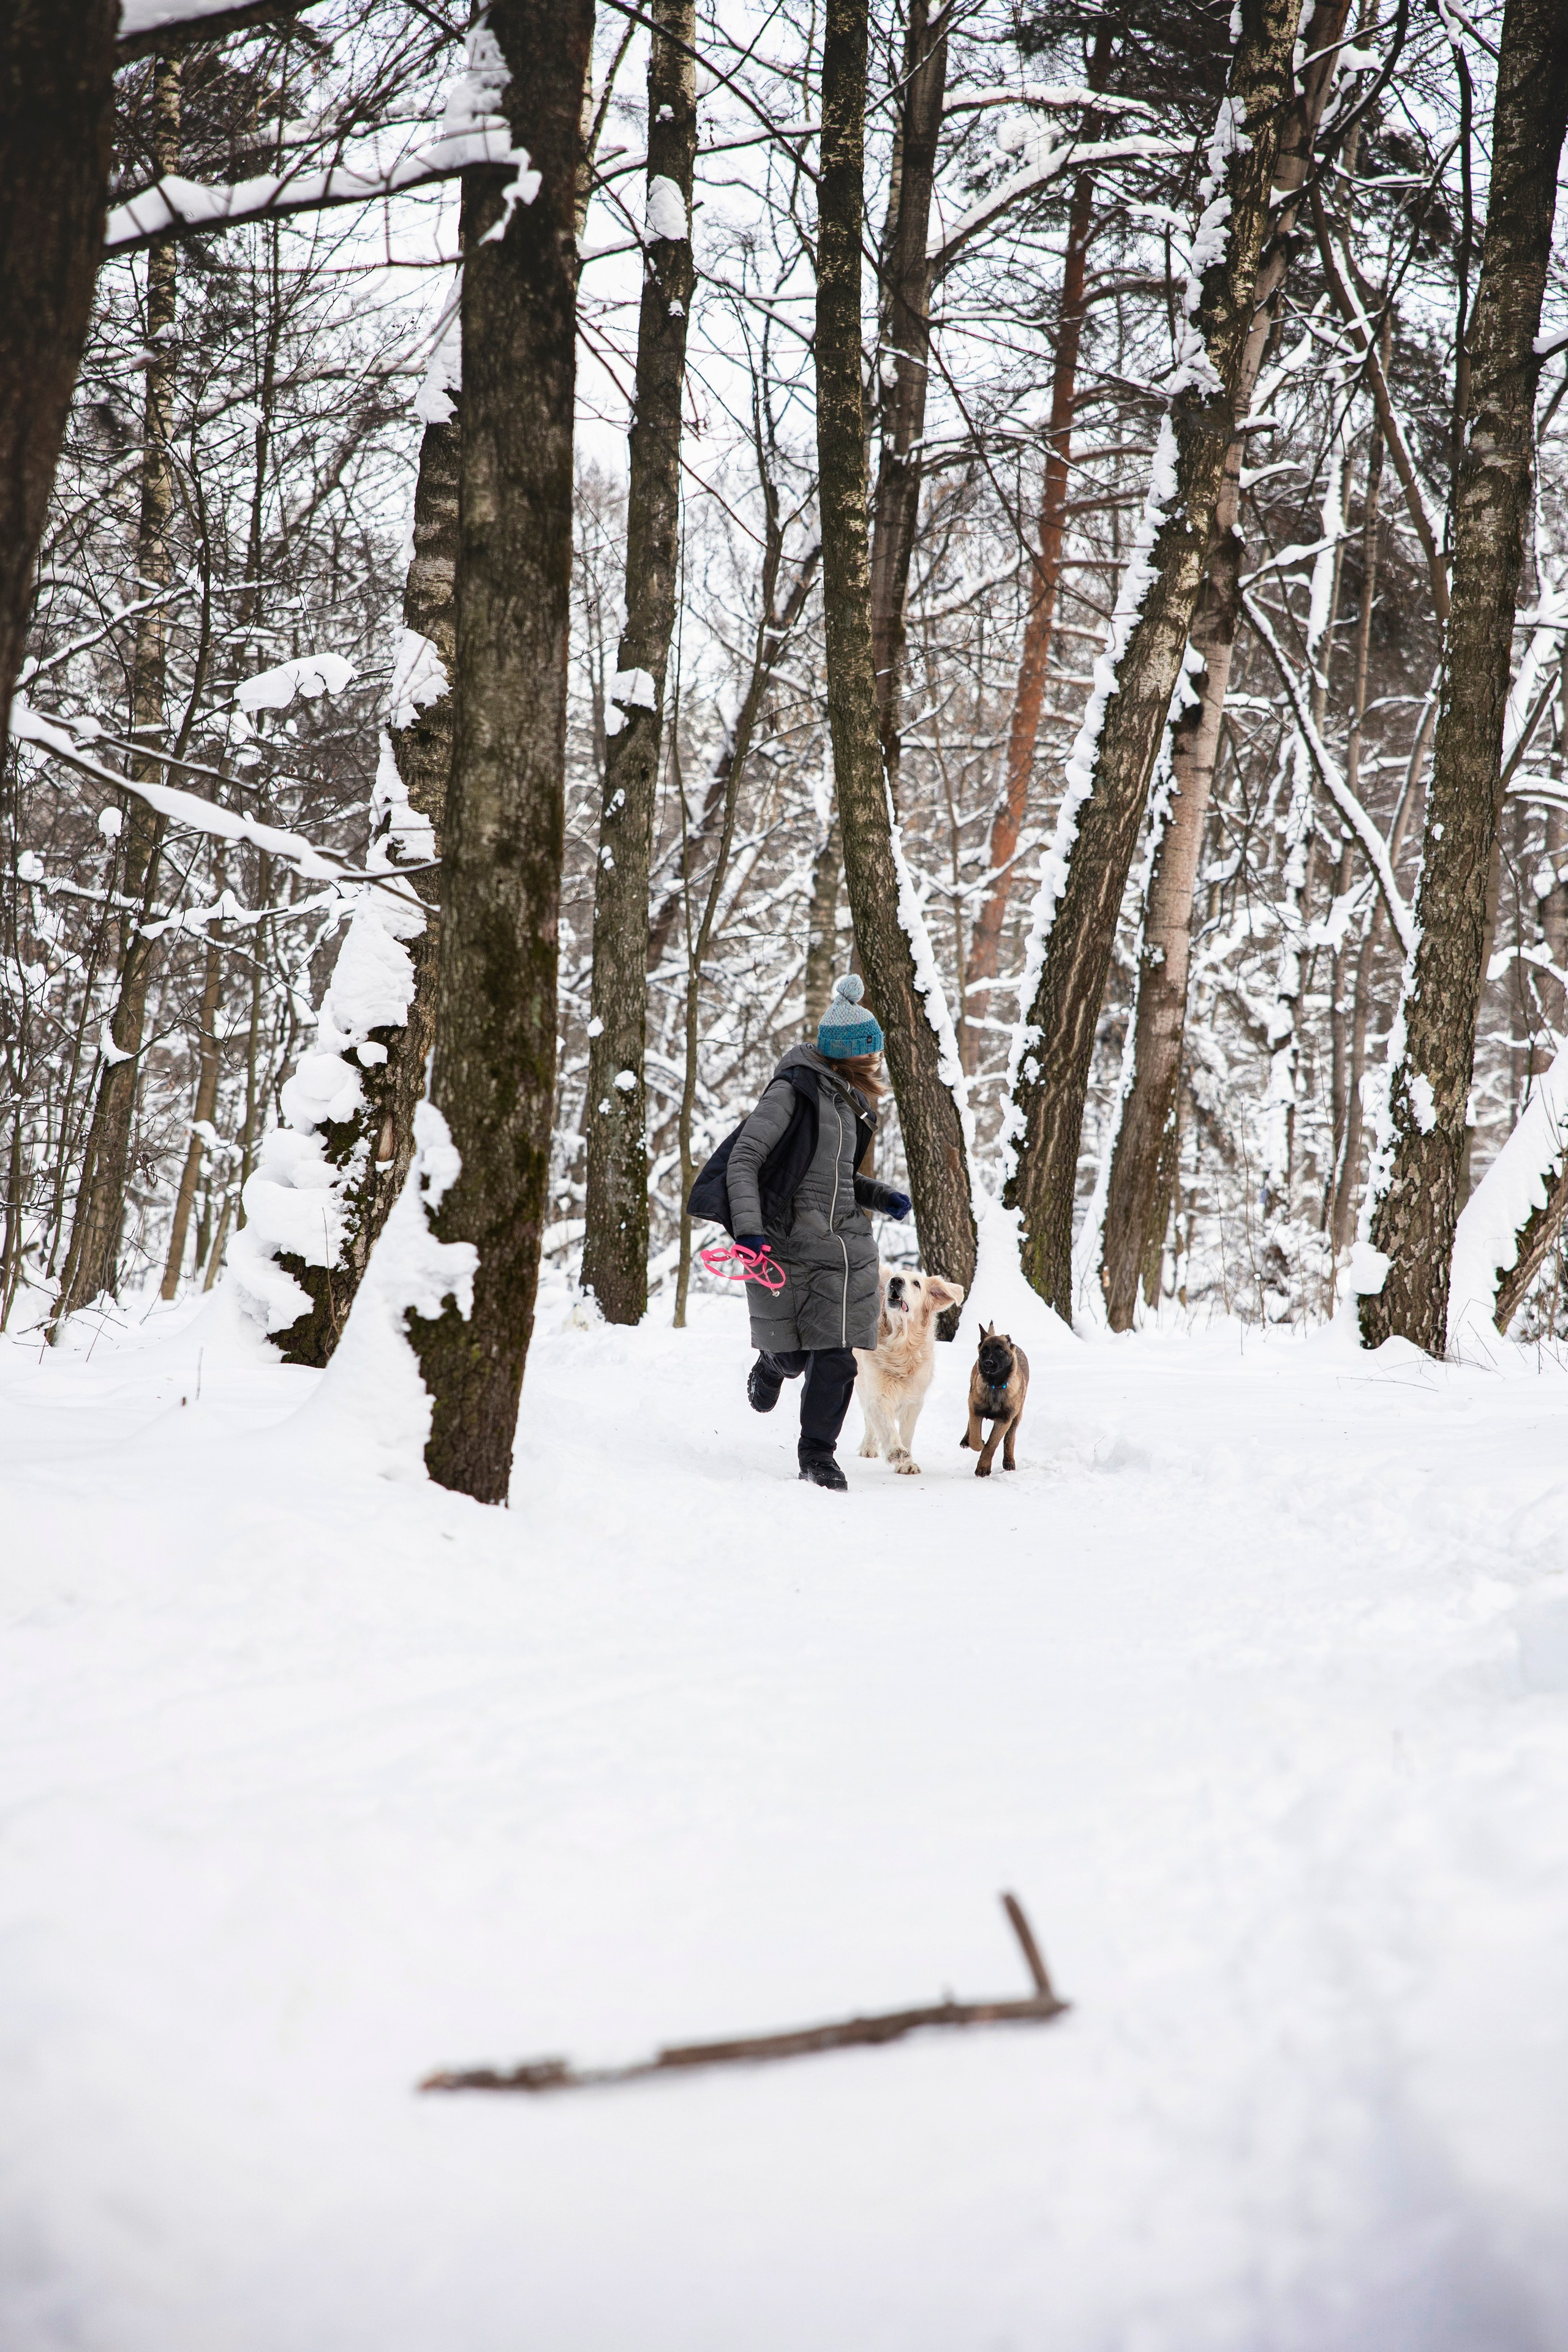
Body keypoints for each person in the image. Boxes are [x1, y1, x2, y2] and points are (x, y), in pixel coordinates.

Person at [727, 973, 911, 1489]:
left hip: (845, 1250)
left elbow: (836, 1179)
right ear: (851, 1053)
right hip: (785, 1244)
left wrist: (880, 1196)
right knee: (794, 1355)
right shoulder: (793, 1092)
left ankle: (818, 1454)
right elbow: (745, 1160)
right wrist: (749, 1231)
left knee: (837, 1357)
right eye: (872, 1055)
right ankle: (772, 1362)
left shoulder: (851, 1107)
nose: (876, 1064)